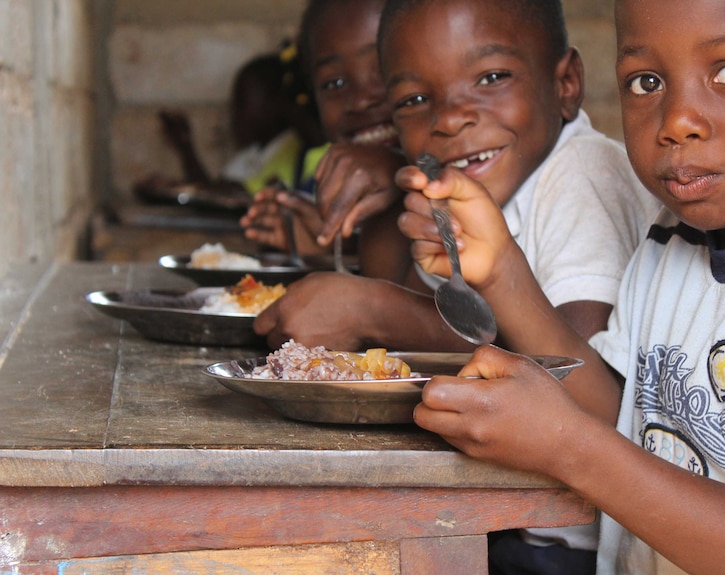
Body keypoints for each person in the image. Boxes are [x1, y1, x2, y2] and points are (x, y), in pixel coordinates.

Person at [400, 0, 725, 573]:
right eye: (646, 82)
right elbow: (621, 412)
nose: (676, 121)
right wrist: (500, 272)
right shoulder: (675, 241)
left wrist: (570, 448)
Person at [258, 0, 661, 572]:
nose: (450, 117)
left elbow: (574, 379)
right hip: (504, 515)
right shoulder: (478, 182)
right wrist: (390, 195)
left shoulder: (582, 178)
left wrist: (379, 311)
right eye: (415, 100)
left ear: (566, 82)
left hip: (560, 544)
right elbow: (399, 281)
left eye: (491, 77)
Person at [239, 0, 412, 277]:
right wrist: (326, 247)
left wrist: (399, 173)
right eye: (334, 84)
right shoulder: (329, 178)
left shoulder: (479, 172)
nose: (360, 100)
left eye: (382, 67)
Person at [135, 43, 326, 217]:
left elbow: (236, 196)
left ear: (275, 103)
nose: (234, 113)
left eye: (242, 102)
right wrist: (184, 154)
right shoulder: (254, 153)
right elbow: (217, 193)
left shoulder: (292, 148)